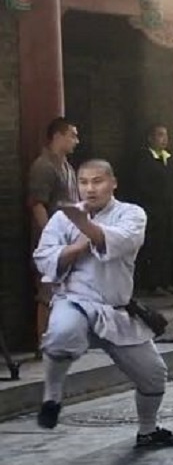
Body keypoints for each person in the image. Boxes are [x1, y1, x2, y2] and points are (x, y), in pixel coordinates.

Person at [32, 159, 173, 447]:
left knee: (154, 376)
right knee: (62, 335)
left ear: (113, 183)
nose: (90, 188)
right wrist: (77, 244)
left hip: (117, 309)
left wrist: (83, 224)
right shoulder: (62, 219)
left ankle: (148, 431)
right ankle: (52, 398)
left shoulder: (131, 214)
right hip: (75, 300)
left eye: (97, 181)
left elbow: (120, 243)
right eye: (83, 182)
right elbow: (43, 257)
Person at [27, 117, 80, 347]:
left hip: (69, 238)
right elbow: (37, 203)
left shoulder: (67, 166)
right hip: (52, 240)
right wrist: (50, 237)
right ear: (58, 136)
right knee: (47, 292)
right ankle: (44, 343)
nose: (76, 141)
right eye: (72, 135)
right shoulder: (44, 166)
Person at [130, 124, 173, 294]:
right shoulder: (143, 159)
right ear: (150, 138)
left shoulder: (169, 158)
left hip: (168, 210)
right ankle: (150, 283)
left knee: (166, 245)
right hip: (152, 210)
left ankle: (163, 281)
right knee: (152, 246)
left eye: (165, 135)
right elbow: (141, 185)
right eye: (159, 135)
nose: (163, 139)